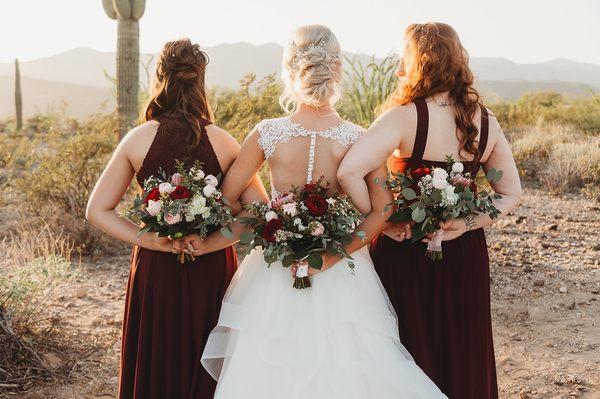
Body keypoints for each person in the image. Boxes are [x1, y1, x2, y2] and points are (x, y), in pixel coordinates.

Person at [192, 24, 447, 399]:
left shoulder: (266, 134)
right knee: (349, 368)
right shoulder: (358, 138)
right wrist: (331, 255)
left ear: (290, 69)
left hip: (274, 269)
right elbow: (381, 213)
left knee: (269, 369)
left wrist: (269, 222)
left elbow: (228, 198)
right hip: (341, 269)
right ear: (337, 69)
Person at [338, 22, 522, 399]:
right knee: (462, 346)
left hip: (406, 250)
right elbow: (509, 194)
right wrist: (465, 224)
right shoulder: (486, 121)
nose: (396, 69)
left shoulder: (403, 116)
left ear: (417, 62)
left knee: (406, 349)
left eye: (402, 58)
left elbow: (349, 171)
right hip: (463, 254)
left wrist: (383, 221)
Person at [85, 38, 267, 399]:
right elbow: (259, 210)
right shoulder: (224, 142)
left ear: (160, 79)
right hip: (210, 266)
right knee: (203, 361)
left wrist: (151, 241)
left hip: (157, 269)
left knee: (157, 359)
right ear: (200, 83)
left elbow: (97, 210)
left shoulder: (137, 140)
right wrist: (211, 242)